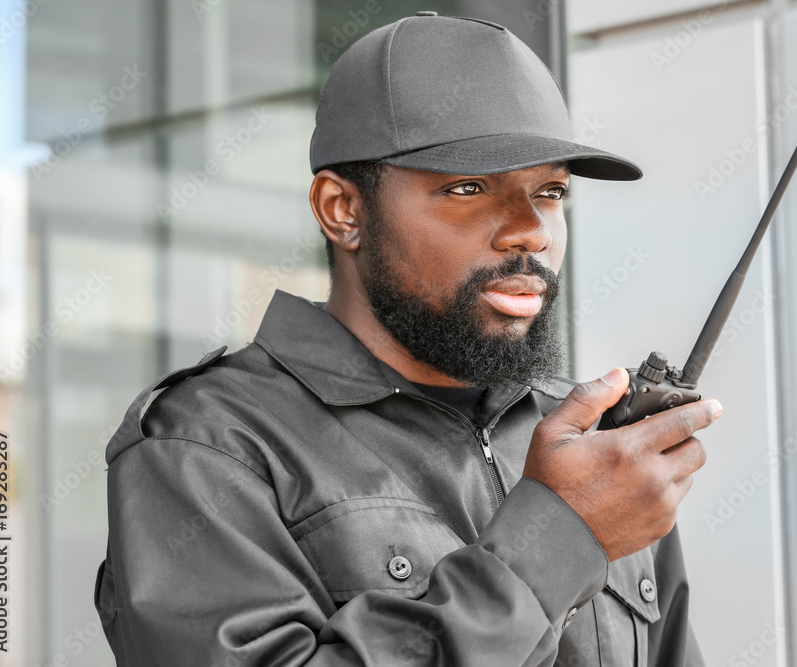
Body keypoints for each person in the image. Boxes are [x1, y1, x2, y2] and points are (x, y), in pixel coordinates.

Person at [93, 11, 721, 666]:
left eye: (551, 190)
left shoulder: (593, 447)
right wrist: (560, 539)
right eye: (469, 187)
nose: (530, 230)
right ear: (343, 210)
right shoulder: (206, 450)